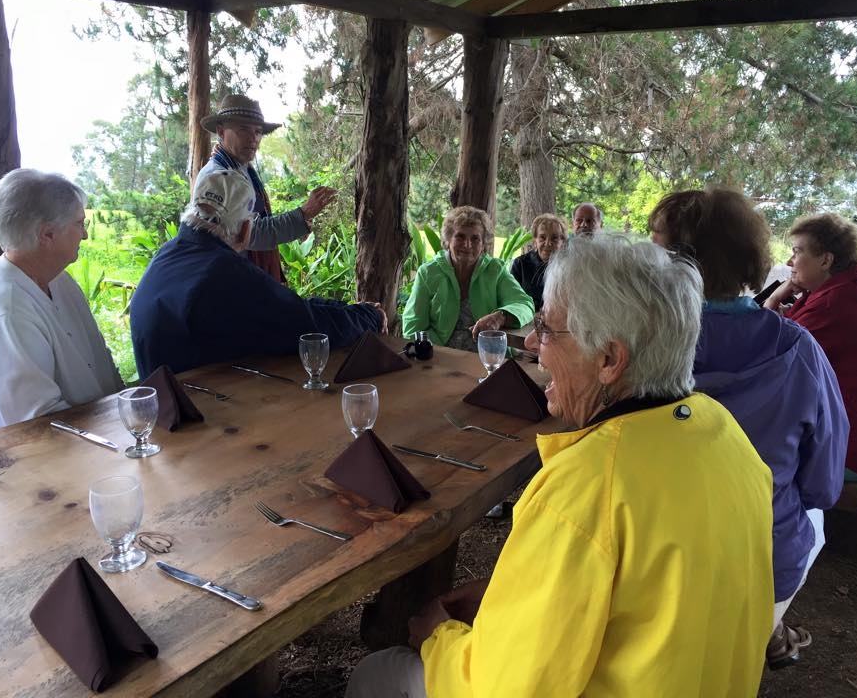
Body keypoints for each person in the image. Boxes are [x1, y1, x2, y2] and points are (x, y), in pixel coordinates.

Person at [349, 237, 774, 698]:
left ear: (609, 359)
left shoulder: (588, 485)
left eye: (548, 329)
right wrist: (509, 595)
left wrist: (437, 638)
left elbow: (505, 689)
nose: (532, 343)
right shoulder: (723, 432)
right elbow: (657, 587)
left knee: (378, 674)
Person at [649, 187, 848, 669]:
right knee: (805, 517)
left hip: (653, 562)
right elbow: (824, 485)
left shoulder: (636, 349)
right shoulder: (800, 351)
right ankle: (769, 630)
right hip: (762, 560)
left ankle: (766, 633)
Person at [129, 169, 385, 377]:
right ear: (243, 230)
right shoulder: (221, 271)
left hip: (168, 407)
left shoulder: (169, 254)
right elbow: (306, 326)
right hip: (200, 417)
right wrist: (368, 316)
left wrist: (350, 309)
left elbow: (285, 306)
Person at [0, 169, 124, 433]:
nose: (85, 235)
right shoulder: (5, 309)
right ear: (47, 234)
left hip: (100, 442)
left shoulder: (59, 280)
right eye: (80, 224)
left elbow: (102, 366)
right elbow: (41, 426)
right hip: (38, 466)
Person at [765, 212, 857, 479]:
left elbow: (768, 362)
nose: (789, 261)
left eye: (797, 252)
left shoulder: (835, 305)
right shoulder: (851, 292)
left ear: (826, 260)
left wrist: (772, 303)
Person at [198, 94, 337, 282]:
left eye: (257, 131)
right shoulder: (217, 179)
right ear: (221, 132)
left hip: (246, 275)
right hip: (231, 282)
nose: (253, 138)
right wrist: (303, 214)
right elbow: (250, 234)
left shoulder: (240, 168)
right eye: (244, 129)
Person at [402, 206, 534, 351]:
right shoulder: (429, 273)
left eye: (475, 238)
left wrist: (500, 317)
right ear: (448, 240)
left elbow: (524, 304)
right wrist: (439, 353)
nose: (467, 245)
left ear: (483, 244)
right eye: (460, 236)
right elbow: (412, 327)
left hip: (488, 355)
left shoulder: (495, 270)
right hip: (439, 355)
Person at [509, 213, 566, 311]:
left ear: (562, 241)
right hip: (527, 319)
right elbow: (512, 300)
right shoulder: (520, 264)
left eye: (554, 238)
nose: (548, 243)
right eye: (542, 237)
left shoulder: (568, 266)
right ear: (535, 240)